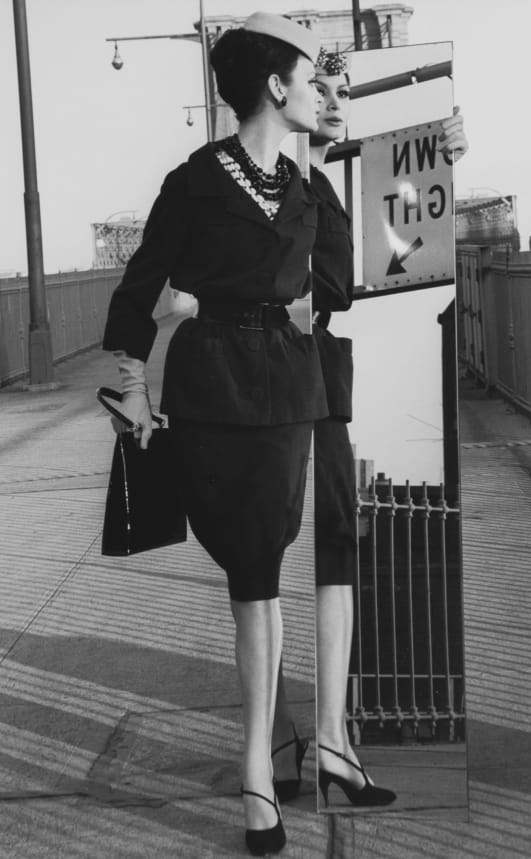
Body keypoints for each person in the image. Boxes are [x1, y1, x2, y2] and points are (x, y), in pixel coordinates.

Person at [102, 13, 327, 856]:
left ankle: (267, 753)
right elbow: (137, 286)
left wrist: (435, 142)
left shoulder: (306, 187)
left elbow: (349, 264)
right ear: (275, 86)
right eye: (309, 76)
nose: (317, 90)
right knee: (253, 576)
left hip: (289, 392)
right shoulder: (194, 180)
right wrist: (130, 382)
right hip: (215, 390)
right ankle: (258, 774)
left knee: (263, 570)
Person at [270, 47, 469, 809]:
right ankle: (294, 738)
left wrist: (448, 157)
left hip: (316, 378)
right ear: (277, 93)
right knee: (270, 560)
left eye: (340, 88)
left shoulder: (320, 180)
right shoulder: (271, 182)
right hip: (272, 381)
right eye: (317, 86)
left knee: (333, 547)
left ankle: (326, 739)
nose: (331, 99)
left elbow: (392, 240)